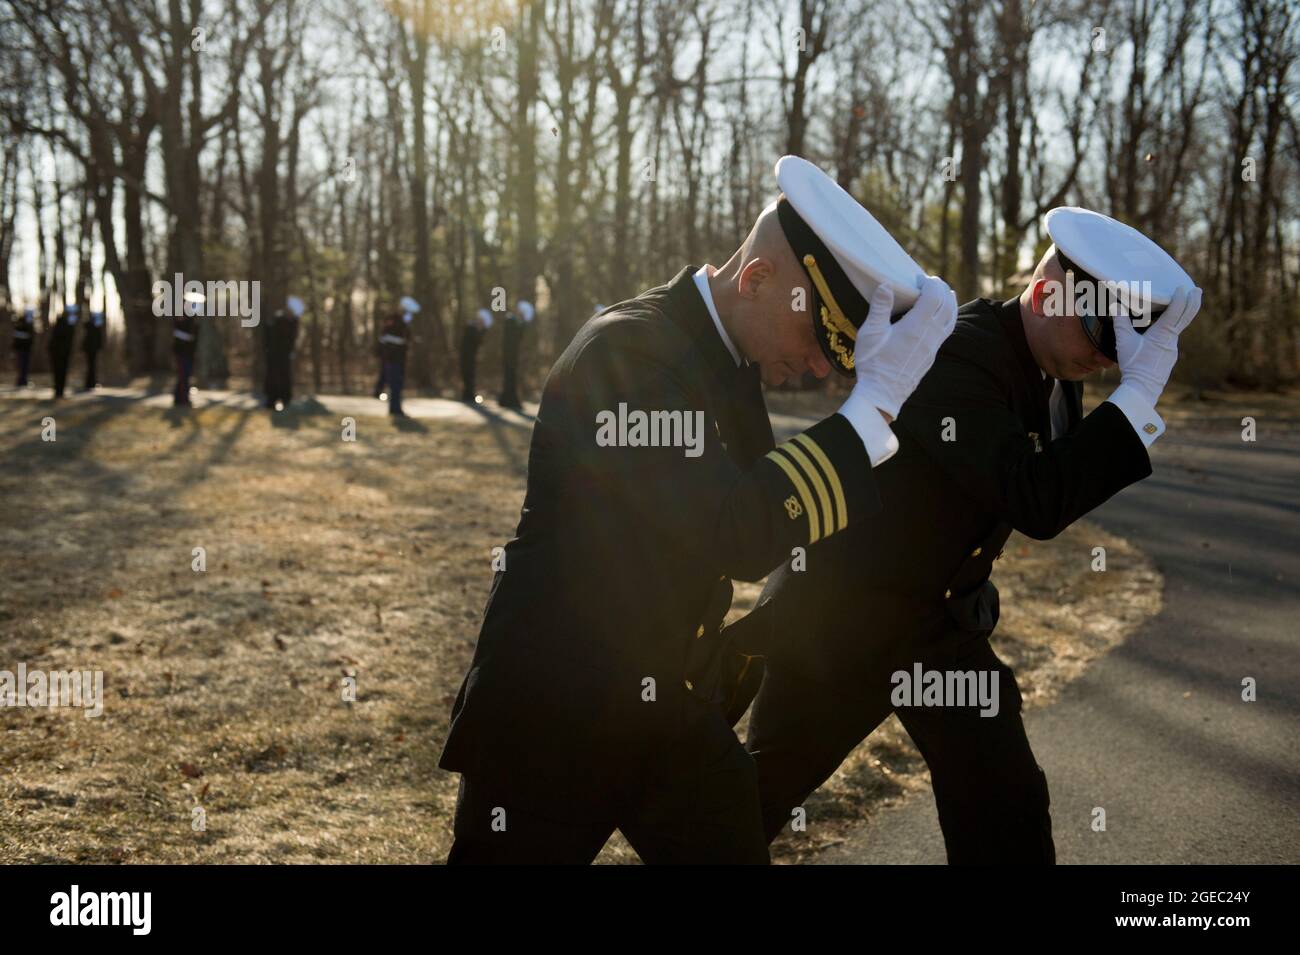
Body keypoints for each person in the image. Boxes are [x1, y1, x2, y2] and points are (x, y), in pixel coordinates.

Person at [438, 156, 958, 864]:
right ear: (757, 279)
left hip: (661, 704)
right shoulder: (629, 354)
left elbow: (768, 507)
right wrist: (867, 411)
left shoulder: (725, 357)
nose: (815, 370)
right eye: (816, 341)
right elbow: (734, 530)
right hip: (553, 706)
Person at [720, 206, 1203, 864]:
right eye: (1099, 331)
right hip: (841, 620)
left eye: (1121, 345)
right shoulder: (956, 348)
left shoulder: (1054, 372)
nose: (1105, 357)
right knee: (750, 805)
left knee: (1006, 803)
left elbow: (1043, 479)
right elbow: (1034, 496)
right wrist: (1137, 399)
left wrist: (1127, 399)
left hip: (936, 627)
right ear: (1043, 293)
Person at [378, 296, 417, 418]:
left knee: (398, 384)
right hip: (391, 358)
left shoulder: (404, 322)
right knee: (394, 384)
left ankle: (396, 408)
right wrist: (400, 341)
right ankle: (394, 408)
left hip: (400, 358)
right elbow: (385, 337)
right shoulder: (392, 320)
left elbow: (407, 336)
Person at [264, 296, 303, 410]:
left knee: (284, 377)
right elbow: (268, 337)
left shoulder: (292, 322)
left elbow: (292, 338)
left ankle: (285, 399)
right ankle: (272, 400)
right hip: (274, 354)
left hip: (284, 355)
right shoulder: (276, 320)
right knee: (273, 377)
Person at [498, 299, 533, 410]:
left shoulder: (516, 321)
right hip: (509, 355)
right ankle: (508, 400)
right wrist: (522, 323)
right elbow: (514, 334)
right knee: (509, 377)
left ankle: (508, 400)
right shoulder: (510, 320)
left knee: (511, 377)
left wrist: (523, 323)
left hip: (512, 355)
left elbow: (519, 337)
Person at [172, 298, 200, 407]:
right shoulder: (181, 318)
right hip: (181, 353)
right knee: (183, 376)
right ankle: (181, 399)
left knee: (185, 376)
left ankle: (181, 398)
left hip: (189, 353)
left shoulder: (192, 319)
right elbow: (178, 333)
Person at [460, 308, 491, 403]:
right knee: (467, 375)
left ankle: (469, 394)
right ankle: (467, 395)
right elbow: (475, 339)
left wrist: (482, 330)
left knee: (470, 375)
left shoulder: (476, 328)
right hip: (466, 356)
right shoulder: (471, 327)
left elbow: (479, 342)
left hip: (471, 356)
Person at [47, 303, 78, 398]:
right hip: (59, 352)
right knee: (60, 371)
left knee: (60, 372)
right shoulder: (63, 324)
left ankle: (59, 390)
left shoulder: (63, 323)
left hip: (61, 352)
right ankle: (59, 390)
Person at [81, 311, 105, 391]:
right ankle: (90, 383)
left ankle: (90, 383)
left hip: (91, 349)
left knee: (91, 366)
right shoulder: (94, 327)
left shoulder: (92, 327)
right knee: (92, 366)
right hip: (91, 349)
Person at [11, 306, 34, 386]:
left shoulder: (30, 325)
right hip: (20, 349)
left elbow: (31, 338)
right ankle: (20, 381)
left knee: (25, 366)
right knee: (21, 366)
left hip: (26, 349)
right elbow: (16, 337)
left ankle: (24, 380)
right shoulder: (20, 323)